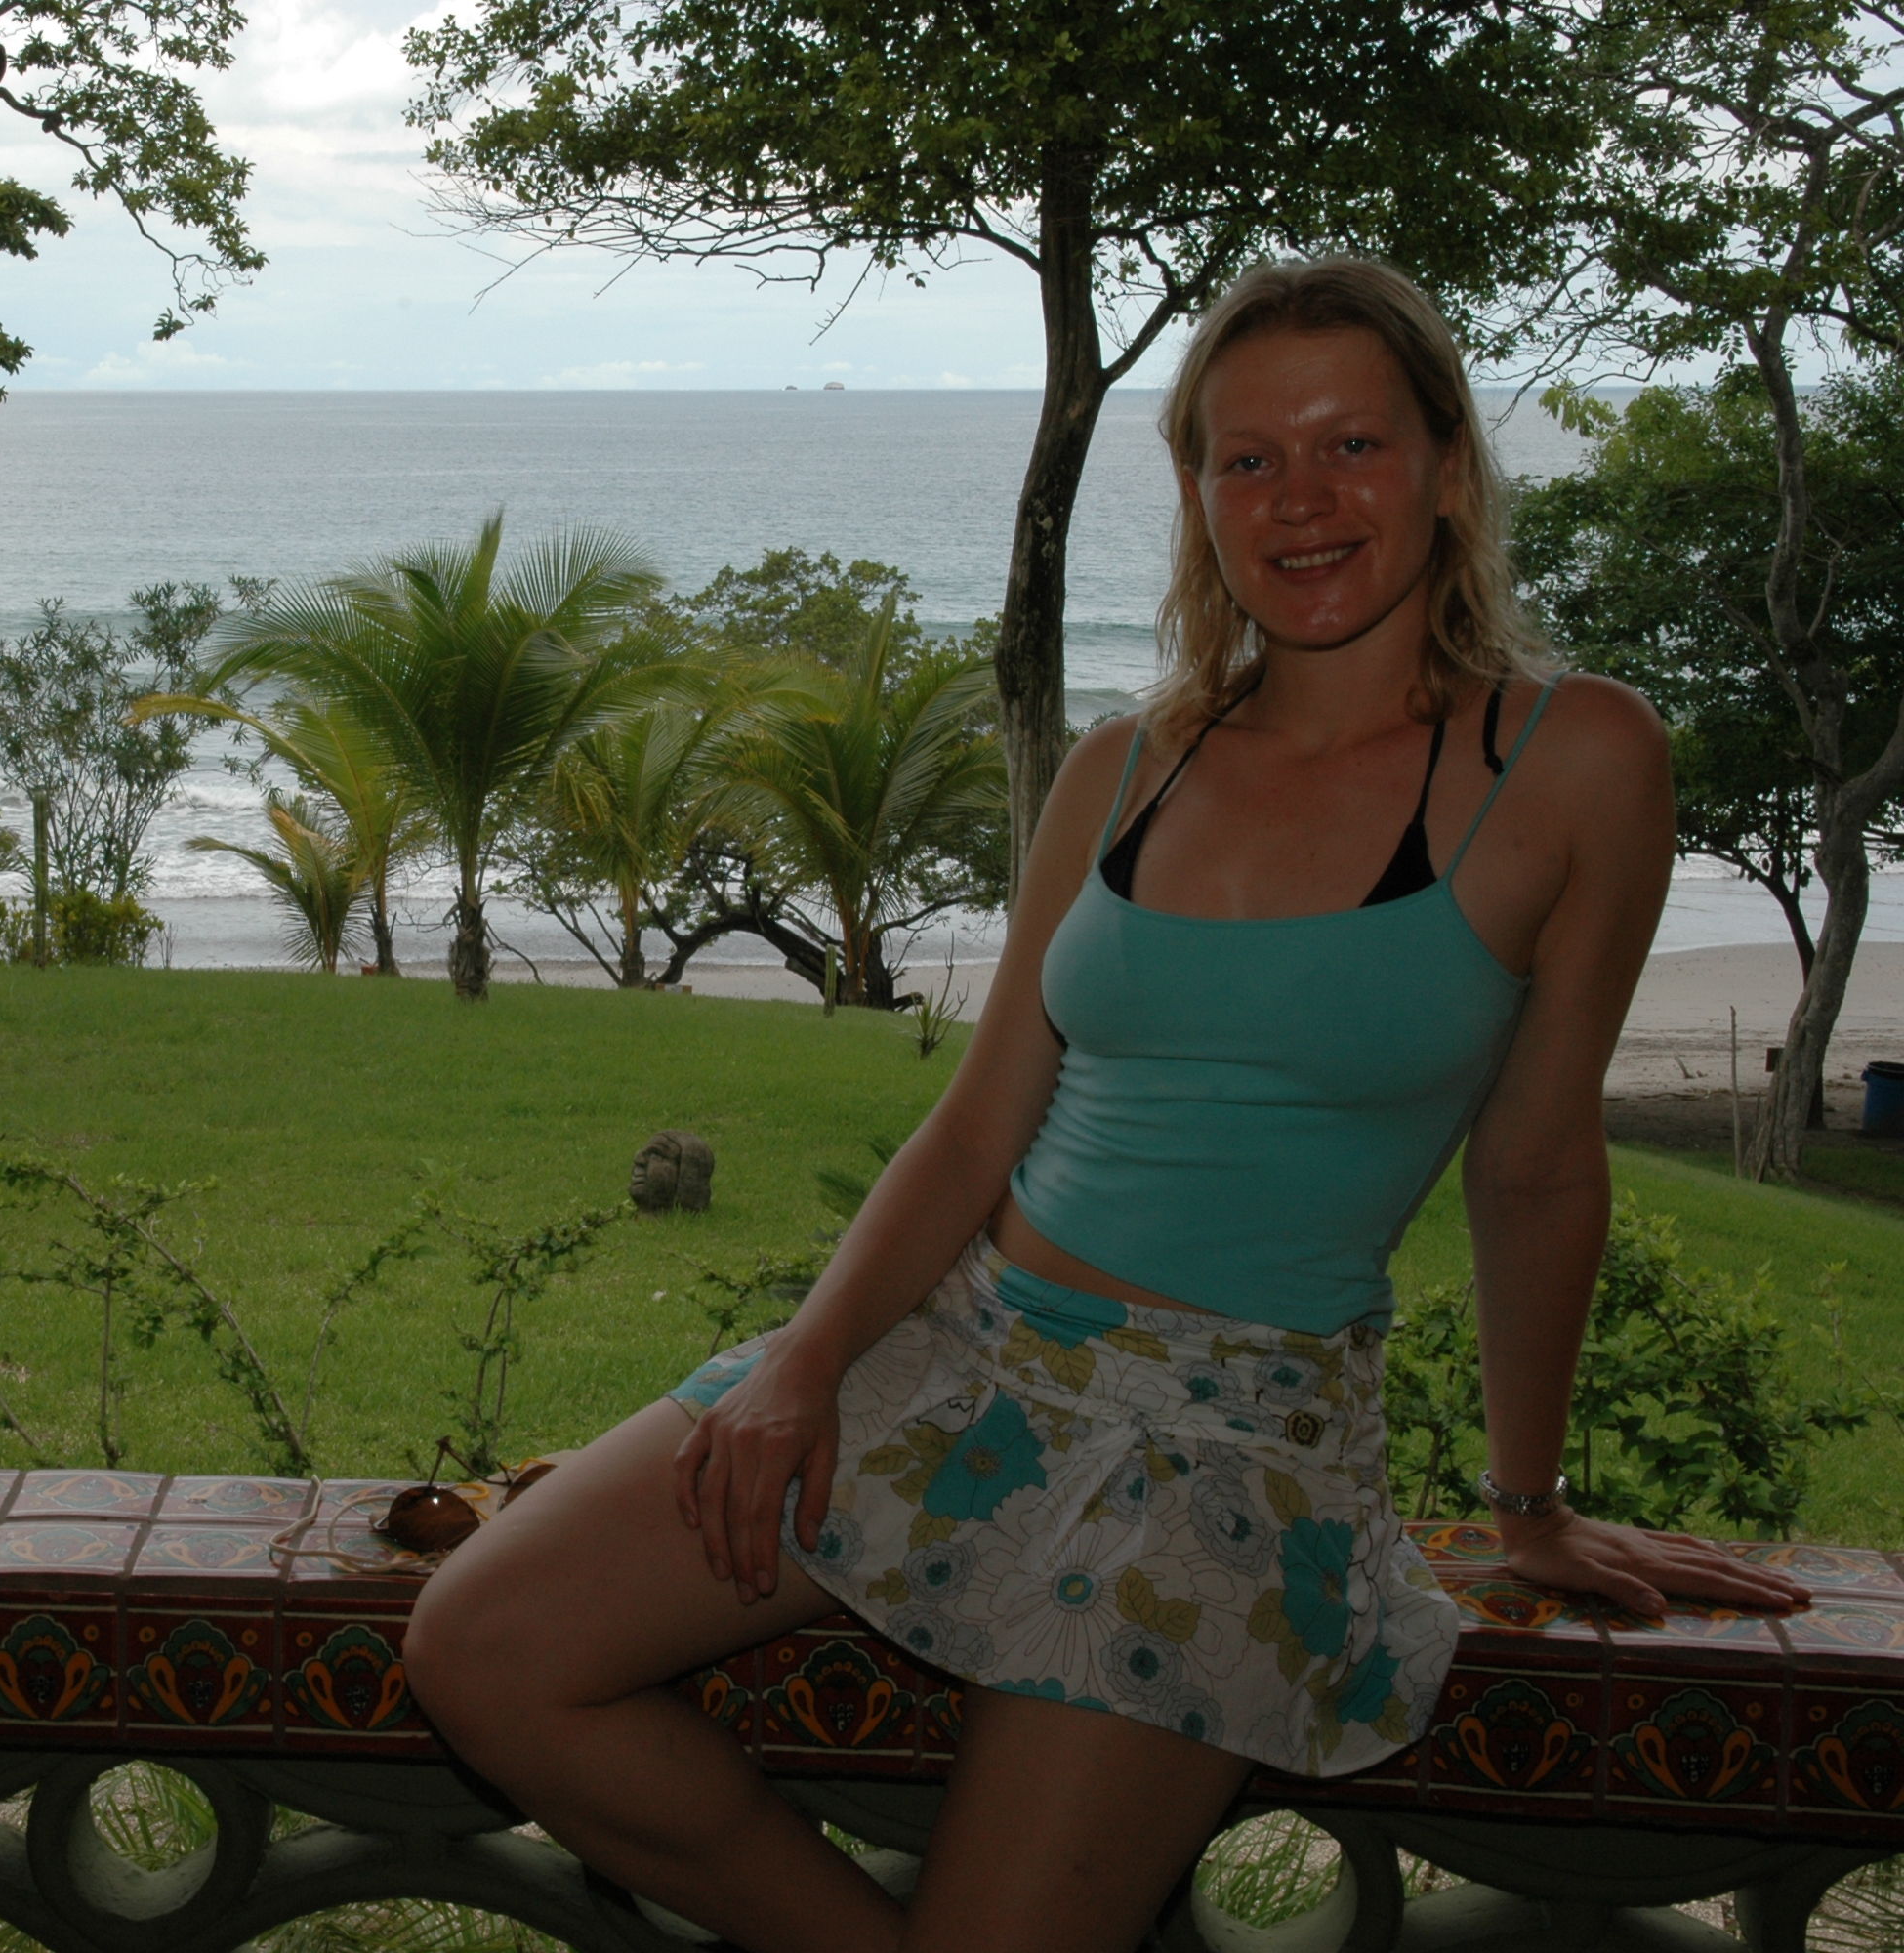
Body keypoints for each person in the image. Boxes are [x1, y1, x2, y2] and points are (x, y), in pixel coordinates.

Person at [402, 258, 1813, 1953]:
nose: (1301, 501)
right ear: (1199, 496)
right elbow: (981, 1116)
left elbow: (1533, 1163)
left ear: (1447, 465)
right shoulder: (1123, 769)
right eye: (1246, 459)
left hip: (1225, 1436)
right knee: (484, 1645)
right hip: (965, 1344)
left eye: (1352, 445)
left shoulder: (1576, 759)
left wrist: (1530, 1507)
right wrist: (799, 1363)